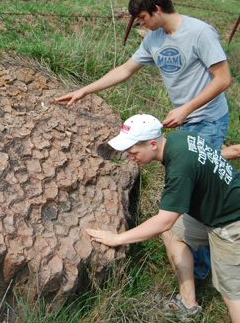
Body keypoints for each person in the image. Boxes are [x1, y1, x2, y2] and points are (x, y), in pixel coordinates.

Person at [55, 0, 232, 280]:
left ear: (157, 9)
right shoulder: (154, 40)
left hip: (207, 119)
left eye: (143, 18)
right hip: (184, 120)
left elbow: (223, 78)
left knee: (196, 188)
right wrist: (84, 91)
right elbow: (125, 70)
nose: (142, 25)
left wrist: (186, 108)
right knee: (190, 181)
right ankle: (195, 252)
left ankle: (202, 267)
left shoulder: (200, 33)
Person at [86, 113, 240, 322]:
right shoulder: (179, 138)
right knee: (173, 232)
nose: (131, 158)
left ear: (152, 144)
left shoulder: (179, 169)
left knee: (231, 292)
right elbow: (169, 224)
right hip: (217, 209)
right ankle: (188, 305)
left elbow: (163, 220)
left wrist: (117, 239)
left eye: (133, 152)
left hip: (230, 222)